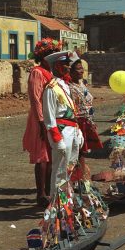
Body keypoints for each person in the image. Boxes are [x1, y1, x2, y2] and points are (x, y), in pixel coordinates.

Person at [23, 38, 62, 207]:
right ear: (44, 56)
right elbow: (35, 98)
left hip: (51, 118)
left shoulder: (52, 74)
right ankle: (41, 194)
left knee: (51, 155)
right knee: (42, 157)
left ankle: (48, 189)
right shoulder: (37, 72)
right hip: (41, 119)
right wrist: (41, 122)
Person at [42, 51, 84, 197]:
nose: (68, 67)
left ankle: (66, 199)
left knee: (70, 168)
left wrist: (78, 131)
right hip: (61, 131)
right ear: (57, 66)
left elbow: (71, 111)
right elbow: (49, 117)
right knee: (59, 170)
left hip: (71, 130)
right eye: (65, 65)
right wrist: (56, 138)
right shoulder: (51, 87)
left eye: (68, 64)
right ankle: (56, 203)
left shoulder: (65, 86)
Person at [69, 55, 103, 176]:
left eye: (82, 68)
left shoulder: (82, 83)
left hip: (86, 121)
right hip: (77, 122)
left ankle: (81, 177)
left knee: (82, 152)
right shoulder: (68, 87)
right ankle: (78, 178)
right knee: (77, 151)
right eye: (78, 69)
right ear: (71, 71)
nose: (82, 71)